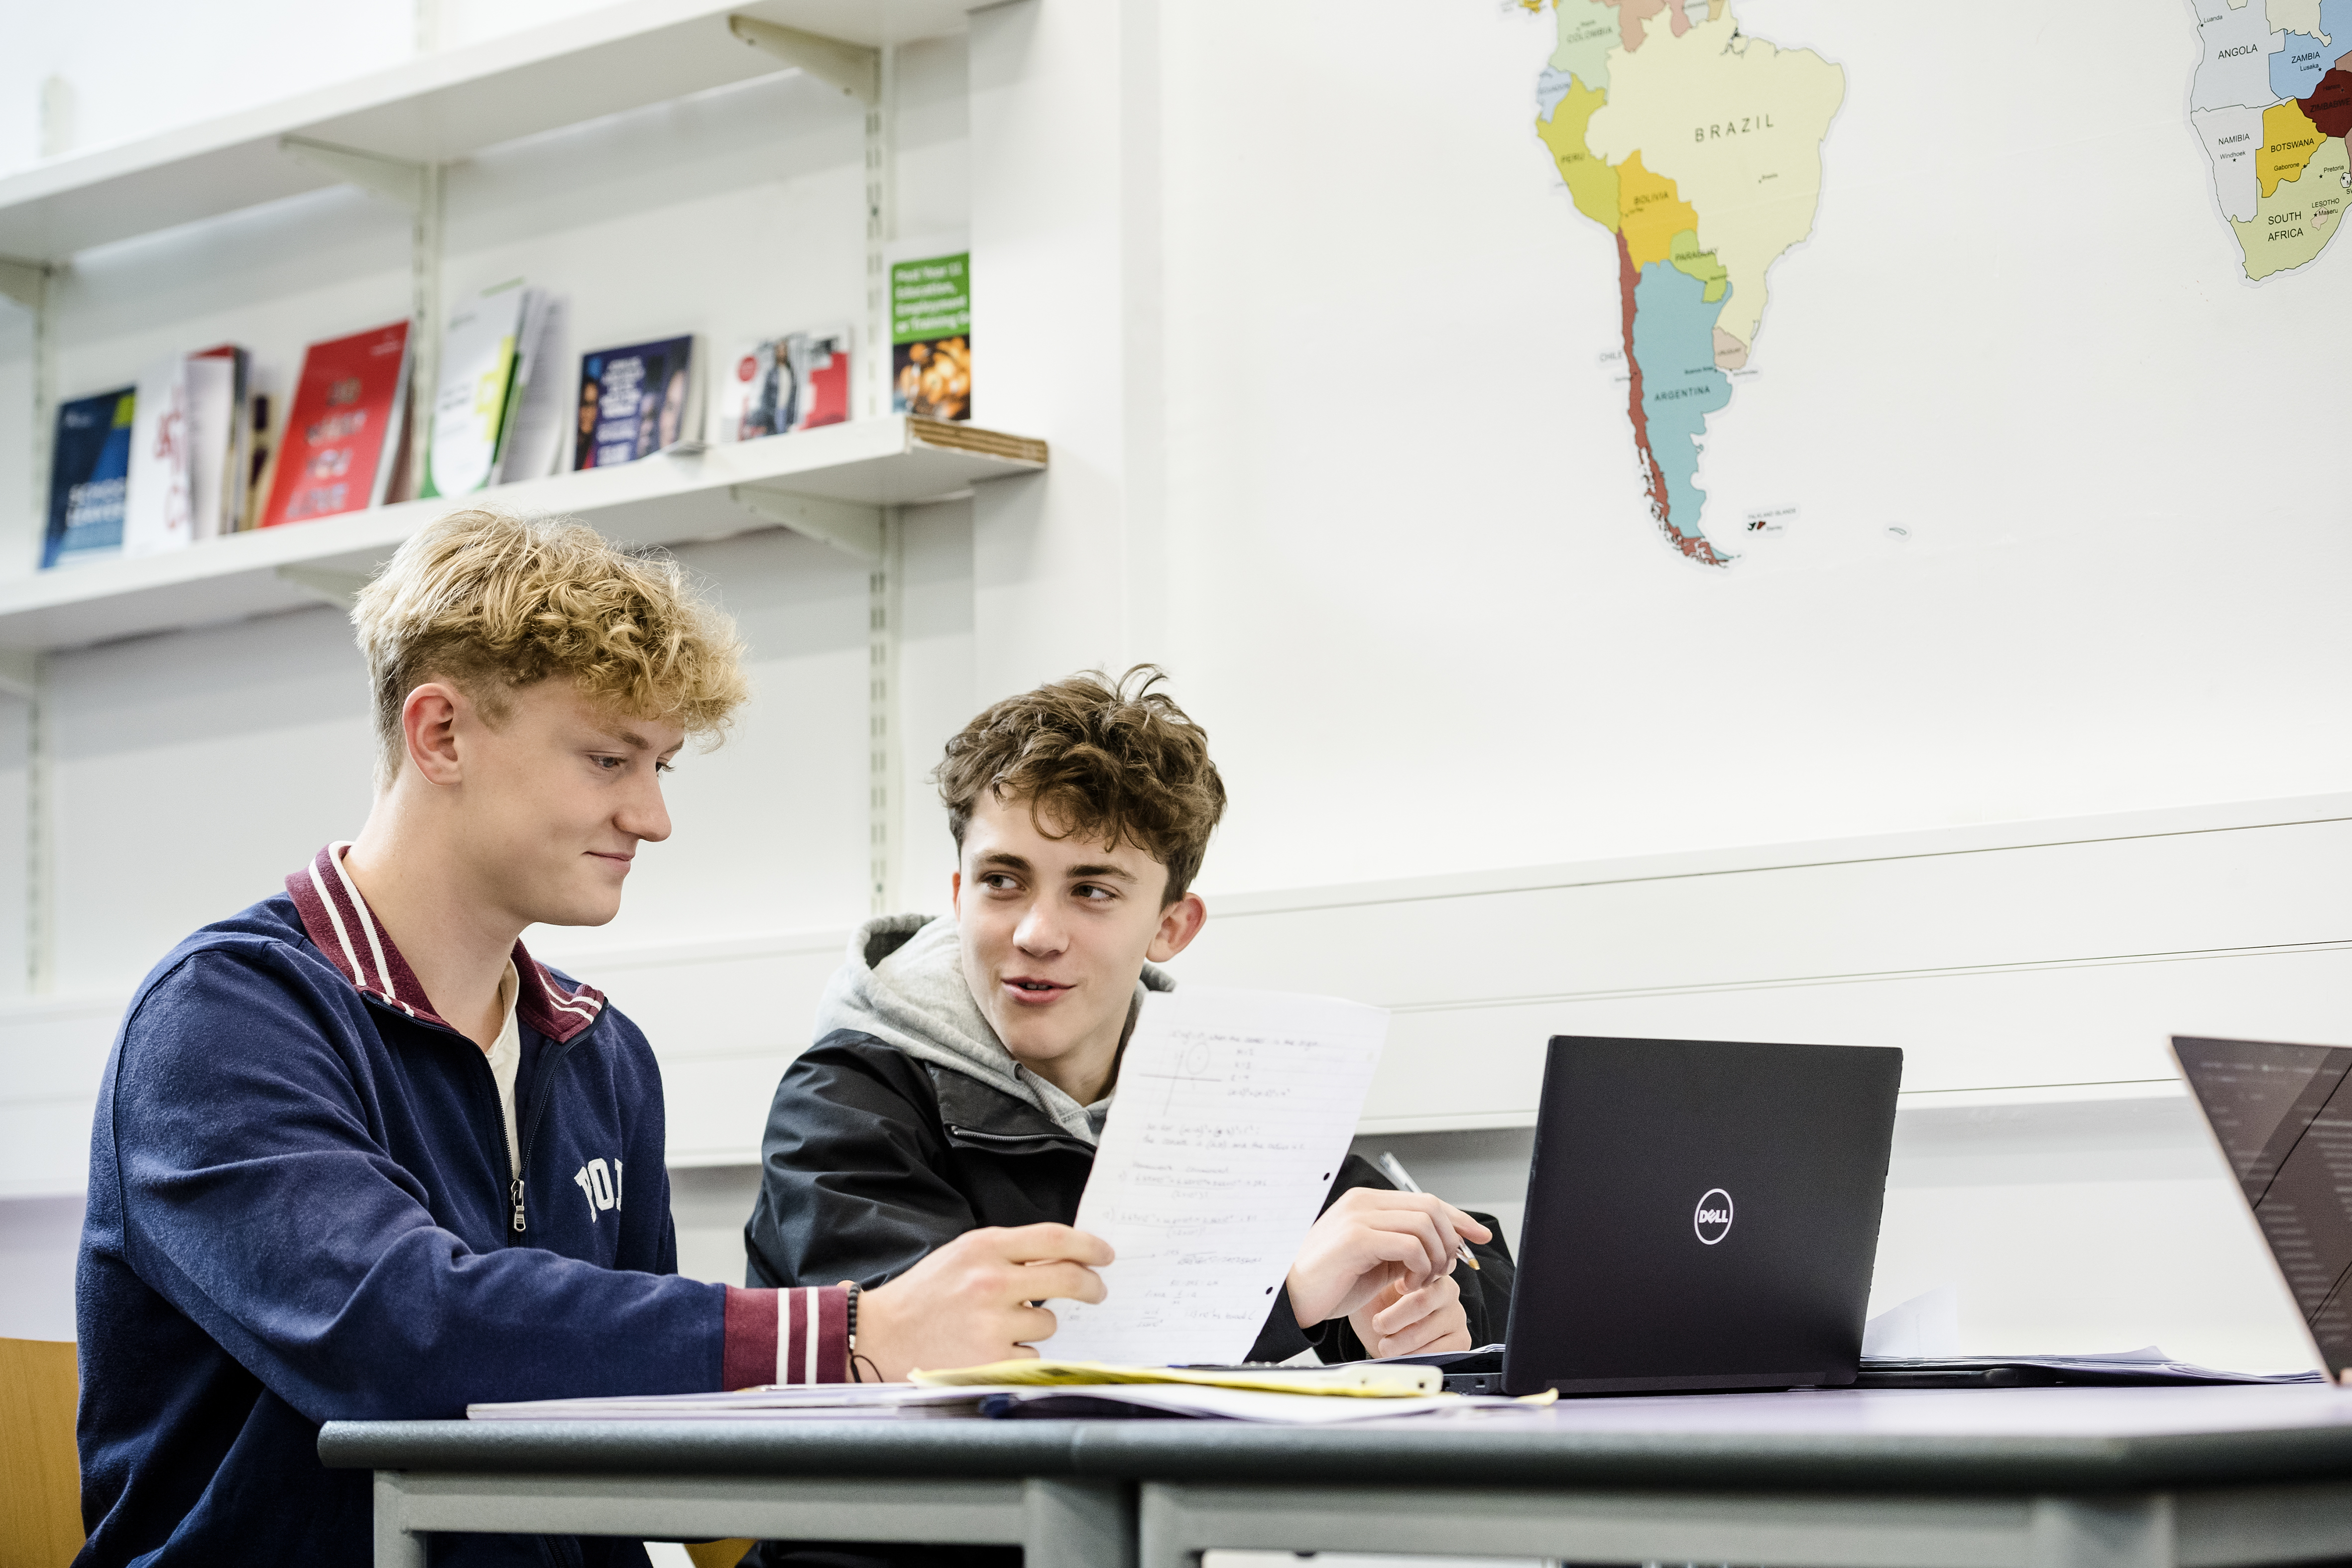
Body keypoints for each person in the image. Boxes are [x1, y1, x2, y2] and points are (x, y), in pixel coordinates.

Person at [74, 511, 1112, 1568]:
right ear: (439, 735)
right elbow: (399, 1331)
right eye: (610, 760)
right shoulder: (222, 1018)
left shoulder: (599, 1051)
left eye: (660, 765)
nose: (653, 817)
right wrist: (844, 1334)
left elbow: (641, 1450)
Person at [746, 668, 1515, 1374]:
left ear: (1171, 927)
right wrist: (1291, 1296)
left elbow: (1469, 1273)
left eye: (1093, 890)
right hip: (891, 1526)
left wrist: (1412, 1314)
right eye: (1003, 880)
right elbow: (958, 1359)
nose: (1036, 933)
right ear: (958, 893)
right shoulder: (844, 1103)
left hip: (1131, 1521)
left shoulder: (1217, 1086)